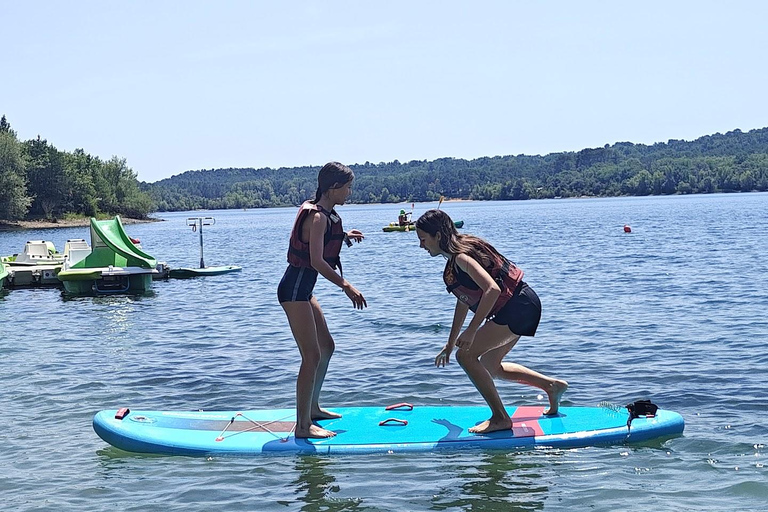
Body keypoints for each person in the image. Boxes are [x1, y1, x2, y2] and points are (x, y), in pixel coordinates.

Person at [414, 209, 568, 434]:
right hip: (524, 304)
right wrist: (450, 342)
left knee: (465, 355)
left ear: (437, 236)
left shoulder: (462, 258)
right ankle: (551, 386)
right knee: (490, 365)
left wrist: (472, 331)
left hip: (518, 308)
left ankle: (500, 418)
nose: (421, 246)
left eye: (423, 239)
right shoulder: (459, 257)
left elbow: (492, 290)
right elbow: (464, 301)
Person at [278, 162, 367, 439]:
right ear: (333, 188)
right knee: (311, 355)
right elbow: (316, 261)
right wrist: (346, 285)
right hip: (294, 291)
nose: (350, 193)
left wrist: (344, 235)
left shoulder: (325, 215)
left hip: (303, 291)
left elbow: (322, 238)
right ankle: (303, 426)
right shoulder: (317, 217)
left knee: (326, 346)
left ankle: (313, 408)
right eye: (348, 188)